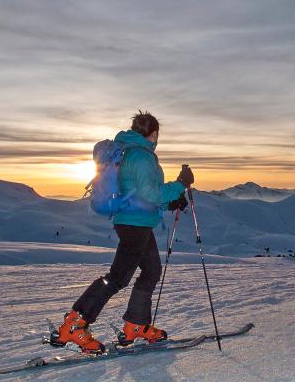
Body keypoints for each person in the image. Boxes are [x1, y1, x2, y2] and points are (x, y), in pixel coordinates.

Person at [53, 111, 194, 354]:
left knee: (151, 270)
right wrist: (180, 184)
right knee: (118, 276)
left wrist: (169, 203)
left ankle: (136, 325)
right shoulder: (141, 156)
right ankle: (74, 325)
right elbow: (151, 192)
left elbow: (138, 192)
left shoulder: (130, 151)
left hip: (136, 220)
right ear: (154, 134)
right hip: (134, 223)